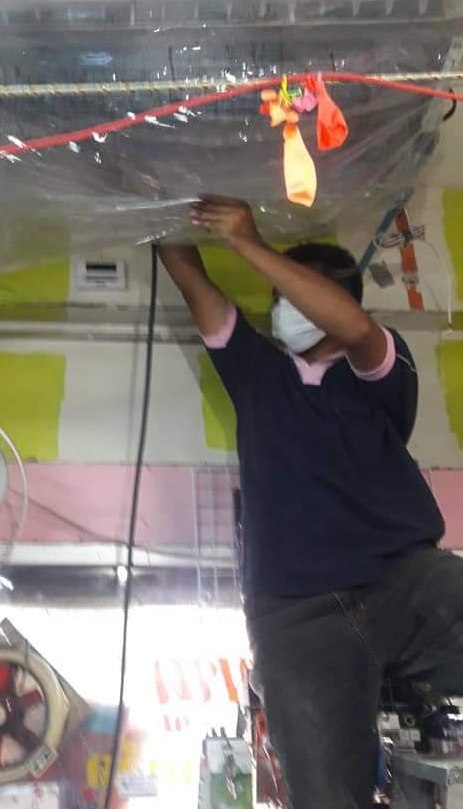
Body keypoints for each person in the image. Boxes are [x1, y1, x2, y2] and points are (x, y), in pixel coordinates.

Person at [159, 197, 463, 809]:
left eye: (290, 296)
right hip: (296, 616)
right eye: (277, 300)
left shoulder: (379, 369)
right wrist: (156, 202)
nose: (280, 311)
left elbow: (355, 329)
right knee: (324, 796)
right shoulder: (257, 373)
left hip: (404, 583)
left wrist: (251, 244)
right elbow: (189, 275)